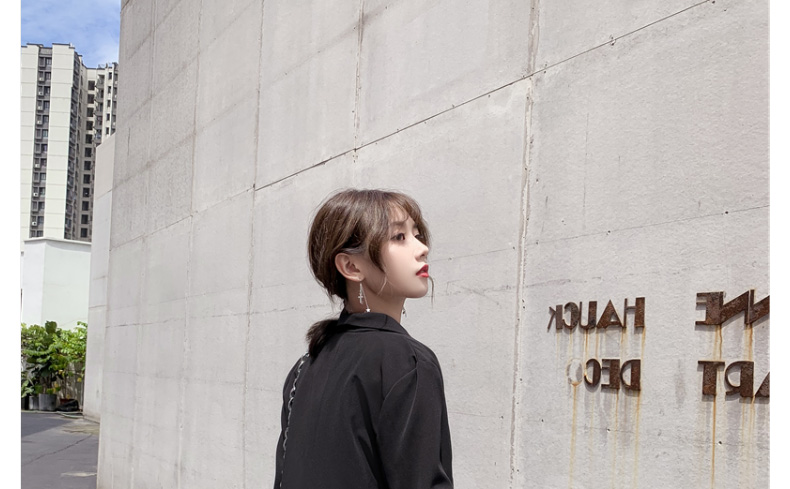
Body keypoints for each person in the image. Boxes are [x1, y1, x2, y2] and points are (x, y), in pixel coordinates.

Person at [273, 188, 454, 489]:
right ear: (351, 266)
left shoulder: (304, 367)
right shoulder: (407, 362)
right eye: (399, 237)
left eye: (418, 234)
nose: (422, 248)